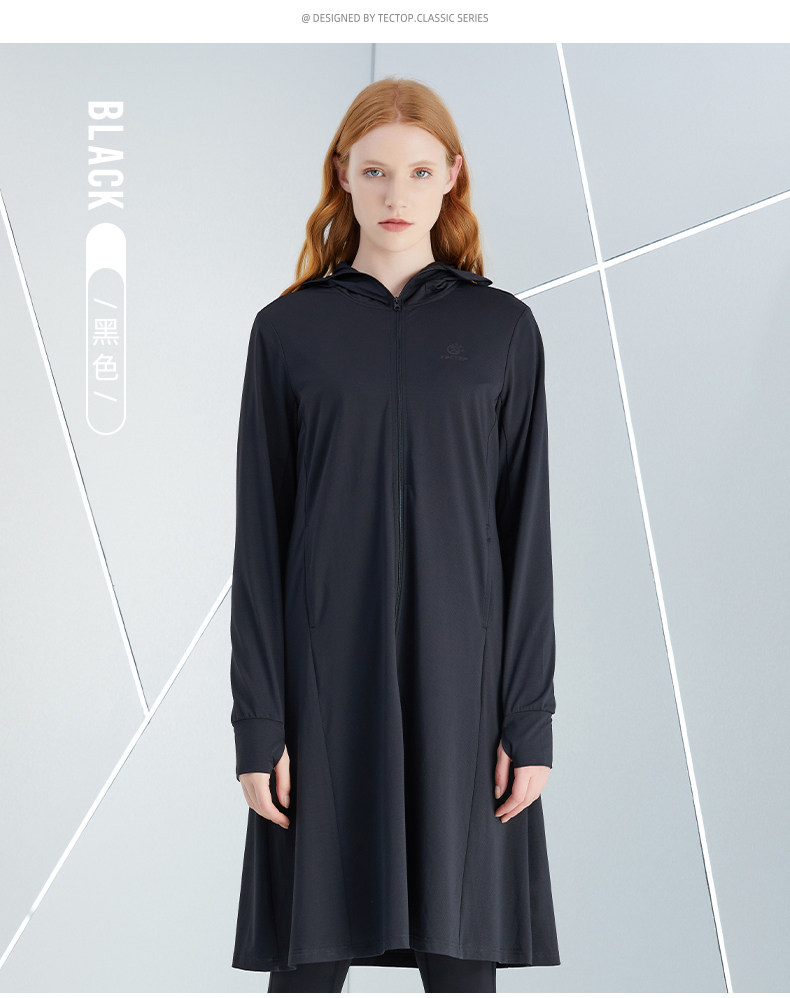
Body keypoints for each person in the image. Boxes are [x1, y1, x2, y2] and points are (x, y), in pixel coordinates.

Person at [228, 76, 560, 993]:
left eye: (418, 171)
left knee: (461, 961)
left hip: (466, 693)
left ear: (452, 176)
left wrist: (528, 719)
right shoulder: (288, 331)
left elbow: (526, 533)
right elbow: (260, 541)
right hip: (323, 686)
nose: (396, 194)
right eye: (374, 171)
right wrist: (259, 724)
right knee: (308, 964)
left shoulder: (504, 330)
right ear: (343, 175)